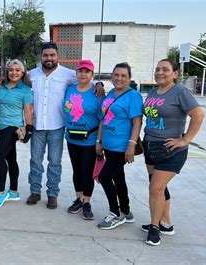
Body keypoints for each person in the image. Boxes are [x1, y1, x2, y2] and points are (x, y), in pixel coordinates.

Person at [27, 42, 104, 209]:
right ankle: (35, 191)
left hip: (57, 126)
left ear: (57, 56)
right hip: (37, 126)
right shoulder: (32, 75)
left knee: (54, 162)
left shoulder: (68, 74)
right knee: (35, 161)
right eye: (46, 55)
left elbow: (86, 78)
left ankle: (53, 194)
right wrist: (1, 79)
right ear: (41, 56)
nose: (49, 58)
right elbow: (16, 79)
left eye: (52, 55)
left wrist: (99, 84)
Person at [141, 59, 205, 246]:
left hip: (171, 150)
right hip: (151, 146)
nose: (160, 72)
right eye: (158, 69)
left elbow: (198, 115)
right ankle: (166, 223)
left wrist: (185, 139)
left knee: (155, 188)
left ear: (175, 74)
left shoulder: (180, 92)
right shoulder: (153, 92)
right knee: (159, 188)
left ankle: (155, 228)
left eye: (166, 70)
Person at [95, 62, 143, 230]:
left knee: (105, 177)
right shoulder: (110, 95)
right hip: (108, 144)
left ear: (129, 78)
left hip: (121, 146)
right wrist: (99, 141)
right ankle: (126, 211)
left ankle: (115, 213)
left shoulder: (133, 96)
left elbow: (137, 122)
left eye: (123, 75)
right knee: (118, 178)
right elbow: (103, 119)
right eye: (116, 75)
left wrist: (131, 145)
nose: (119, 78)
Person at [0, 59, 33, 208]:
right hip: (1, 127)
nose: (14, 72)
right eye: (11, 70)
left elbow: (28, 111)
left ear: (22, 73)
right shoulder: (1, 87)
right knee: (11, 158)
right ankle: (14, 192)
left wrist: (29, 128)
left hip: (14, 128)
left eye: (17, 70)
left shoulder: (26, 90)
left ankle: (1, 193)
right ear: (7, 72)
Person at [63, 60, 102, 220]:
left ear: (92, 75)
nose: (83, 74)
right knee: (76, 170)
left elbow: (102, 119)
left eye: (87, 72)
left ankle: (87, 201)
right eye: (80, 71)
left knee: (87, 172)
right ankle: (79, 198)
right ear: (76, 73)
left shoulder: (97, 93)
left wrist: (99, 141)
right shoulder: (70, 88)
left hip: (89, 139)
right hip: (72, 138)